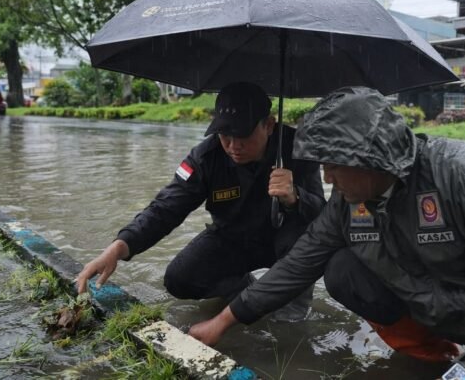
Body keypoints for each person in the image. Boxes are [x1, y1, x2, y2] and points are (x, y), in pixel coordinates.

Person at [189, 87, 465, 380]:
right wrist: (221, 323)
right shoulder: (348, 201)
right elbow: (297, 265)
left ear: (370, 159)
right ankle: (438, 357)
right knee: (341, 268)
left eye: (333, 164)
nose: (325, 177)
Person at [75, 81, 325, 317]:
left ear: (269, 125)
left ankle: (292, 311)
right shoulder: (205, 158)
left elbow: (324, 217)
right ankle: (245, 292)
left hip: (286, 242)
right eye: (225, 135)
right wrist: (118, 248)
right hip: (234, 237)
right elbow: (165, 209)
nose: (233, 146)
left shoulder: (298, 149)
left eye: (243, 135)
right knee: (179, 279)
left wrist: (296, 197)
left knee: (287, 312)